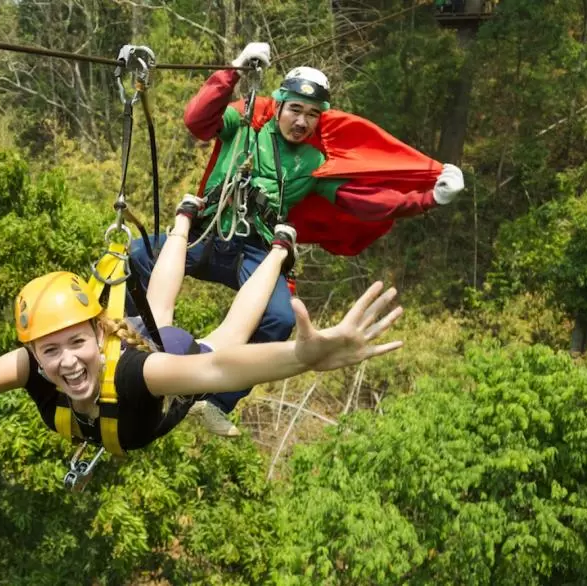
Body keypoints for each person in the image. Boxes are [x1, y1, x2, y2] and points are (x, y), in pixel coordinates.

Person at [0, 202, 404, 458]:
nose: (65, 364)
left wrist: (300, 357)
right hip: (136, 343)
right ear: (33, 350)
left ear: (98, 334)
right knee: (163, 310)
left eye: (75, 344)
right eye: (49, 351)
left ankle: (283, 249)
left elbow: (215, 373)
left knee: (221, 333)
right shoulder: (36, 365)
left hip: (161, 366)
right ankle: (182, 220)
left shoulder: (140, 370)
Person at [128, 42, 465, 436]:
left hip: (254, 250)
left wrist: (428, 198)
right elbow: (197, 119)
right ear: (280, 105)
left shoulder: (313, 163)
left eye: (312, 115)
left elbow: (365, 202)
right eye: (295, 110)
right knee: (138, 255)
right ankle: (135, 342)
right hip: (210, 231)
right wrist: (234, 70)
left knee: (280, 317)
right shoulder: (245, 120)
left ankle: (214, 400)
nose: (302, 122)